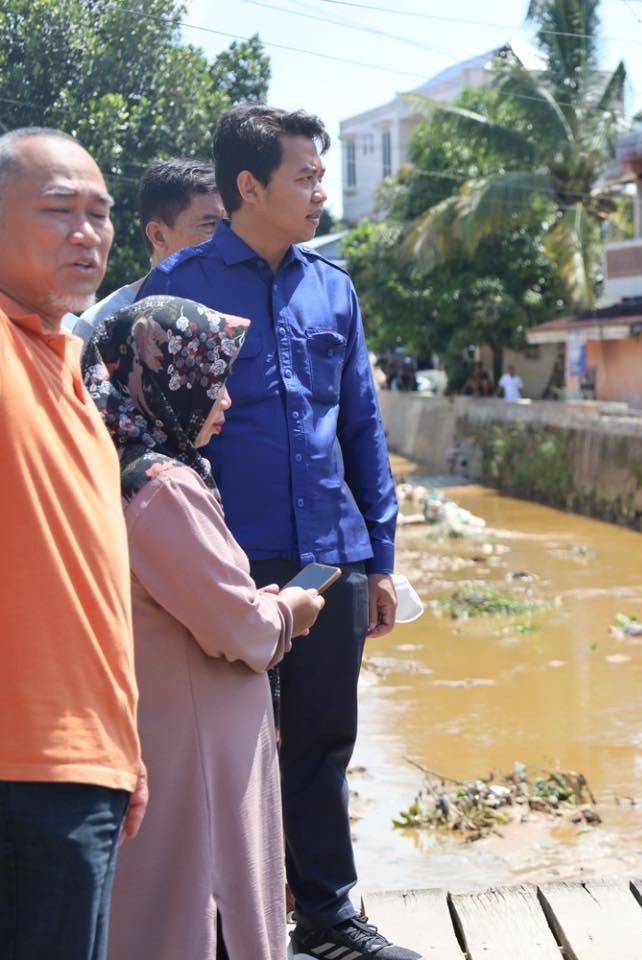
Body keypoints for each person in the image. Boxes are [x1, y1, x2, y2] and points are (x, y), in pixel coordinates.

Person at [138, 105, 411, 960]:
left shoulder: (334, 285)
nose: (321, 190)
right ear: (249, 185)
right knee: (228, 755)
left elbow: (362, 426)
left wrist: (383, 561)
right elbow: (146, 429)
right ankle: (229, 929)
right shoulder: (178, 287)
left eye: (323, 175)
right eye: (306, 175)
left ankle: (328, 920)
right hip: (226, 560)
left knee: (325, 742)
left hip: (333, 556)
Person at [86, 297, 326, 960]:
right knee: (206, 907)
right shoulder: (161, 487)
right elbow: (240, 631)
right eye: (211, 380)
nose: (223, 402)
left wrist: (251, 606)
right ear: (168, 381)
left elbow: (206, 601)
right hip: (196, 751)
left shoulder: (129, 469)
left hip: (175, 727)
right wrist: (287, 613)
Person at [0, 126, 144, 959]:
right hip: (21, 773)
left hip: (87, 767)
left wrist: (124, 745)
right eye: (59, 211)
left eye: (100, 213)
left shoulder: (67, 367)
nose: (87, 232)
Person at [70, 158, 224, 349]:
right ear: (158, 236)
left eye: (230, 224)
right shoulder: (102, 323)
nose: (227, 237)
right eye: (210, 225)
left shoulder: (247, 307)